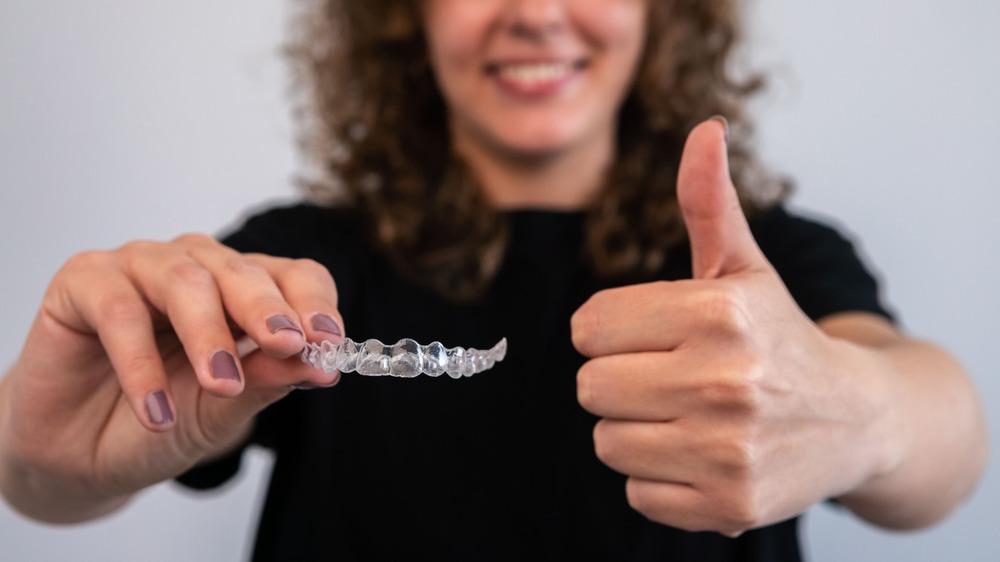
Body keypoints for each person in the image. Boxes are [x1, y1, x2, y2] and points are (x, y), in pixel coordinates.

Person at [0, 0, 988, 560]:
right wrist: (44, 460)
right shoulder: (287, 267)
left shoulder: (775, 262)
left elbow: (942, 444)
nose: (534, 12)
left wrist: (862, 411)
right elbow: (50, 483)